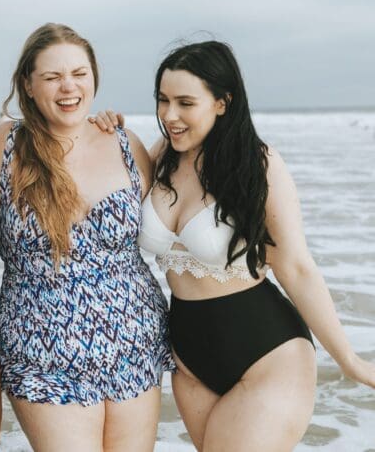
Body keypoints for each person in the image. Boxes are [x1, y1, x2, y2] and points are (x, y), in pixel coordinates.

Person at [93, 40, 375, 451]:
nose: (169, 115)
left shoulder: (258, 164)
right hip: (189, 359)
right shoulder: (161, 157)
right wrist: (101, 131)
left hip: (266, 353)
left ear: (222, 102)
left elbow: (295, 267)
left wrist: (348, 360)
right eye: (162, 100)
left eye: (185, 102)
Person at [0, 23, 173, 452]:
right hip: (41, 349)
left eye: (79, 74)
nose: (69, 87)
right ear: (27, 85)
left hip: (132, 340)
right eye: (52, 77)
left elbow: (185, 200)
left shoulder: (124, 141)